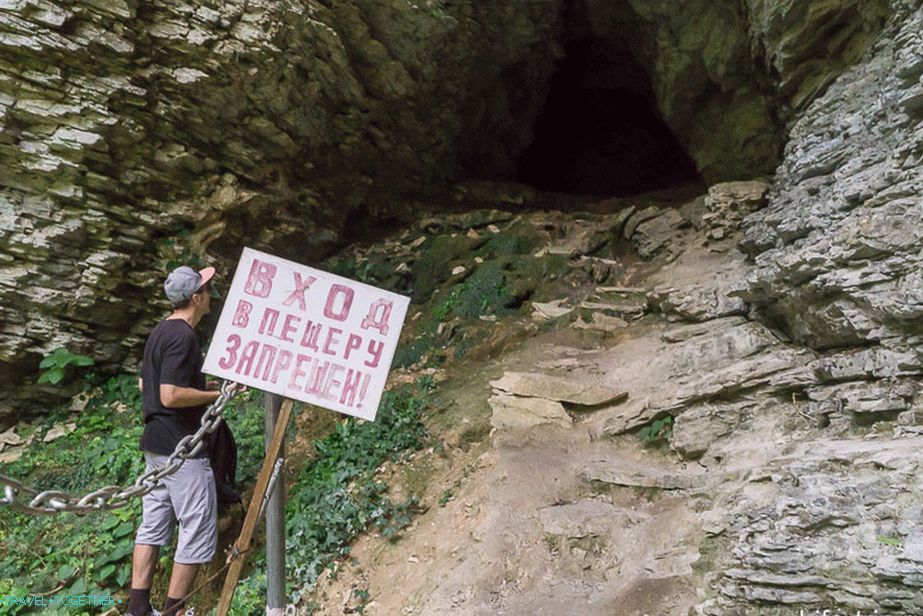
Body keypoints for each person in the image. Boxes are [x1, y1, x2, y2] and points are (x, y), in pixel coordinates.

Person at [128, 265, 241, 616]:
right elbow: (170, 394)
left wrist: (201, 388)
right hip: (181, 449)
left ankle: (138, 608)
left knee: (153, 524)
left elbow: (146, 384)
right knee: (196, 527)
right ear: (196, 298)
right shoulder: (184, 337)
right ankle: (174, 610)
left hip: (155, 447)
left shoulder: (160, 331)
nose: (210, 293)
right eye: (206, 289)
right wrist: (216, 395)